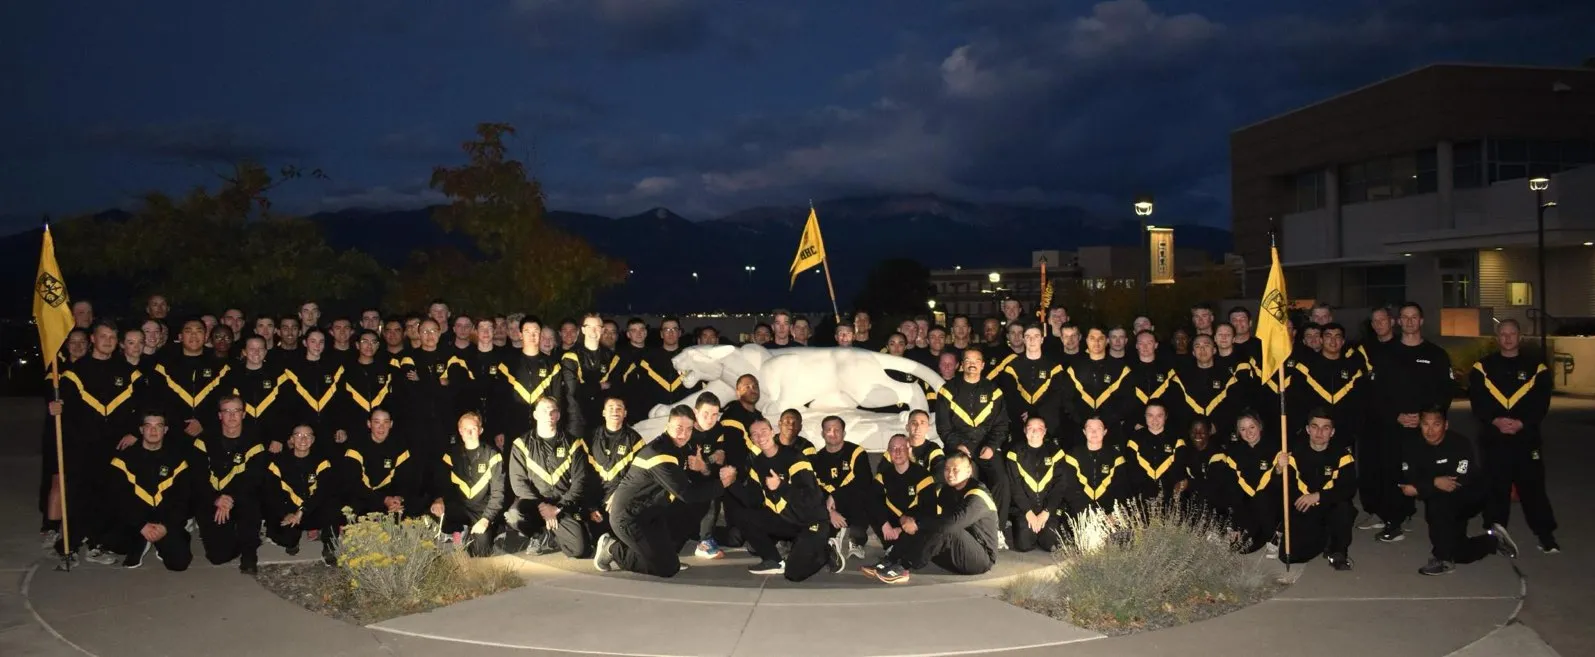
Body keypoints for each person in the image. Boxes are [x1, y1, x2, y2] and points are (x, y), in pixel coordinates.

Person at [593, 405, 731, 578]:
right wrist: (723, 483)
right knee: (667, 568)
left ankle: (664, 554)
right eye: (679, 428)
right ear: (667, 426)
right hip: (629, 518)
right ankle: (613, 549)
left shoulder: (682, 447)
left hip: (653, 513)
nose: (684, 434)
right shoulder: (659, 453)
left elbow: (697, 485)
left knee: (699, 503)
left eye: (689, 429)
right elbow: (687, 493)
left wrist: (703, 468)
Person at [1468, 319, 1558, 553]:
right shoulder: (1482, 368)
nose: (1507, 338)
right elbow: (1478, 400)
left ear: (1520, 336)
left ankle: (1545, 535)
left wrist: (1522, 423)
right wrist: (1496, 420)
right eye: (1503, 334)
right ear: (1497, 337)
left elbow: (1541, 402)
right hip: (1494, 438)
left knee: (1533, 488)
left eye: (1512, 333)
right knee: (1495, 486)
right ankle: (1494, 533)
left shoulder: (1537, 368)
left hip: (1526, 438)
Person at [1400, 407, 1519, 575]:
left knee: (1437, 503)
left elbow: (1455, 483)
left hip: (1469, 495)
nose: (1430, 430)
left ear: (1446, 425)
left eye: (1436, 424)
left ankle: (1442, 559)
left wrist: (1422, 486)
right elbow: (1407, 482)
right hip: (1443, 499)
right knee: (1459, 552)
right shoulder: (1412, 445)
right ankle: (1493, 542)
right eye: (1425, 424)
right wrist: (1433, 482)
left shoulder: (1459, 443)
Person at [1373, 302, 1453, 544]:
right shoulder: (1386, 354)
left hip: (1426, 428)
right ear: (1399, 321)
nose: (1409, 321)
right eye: (1404, 317)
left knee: (1429, 473)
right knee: (1392, 473)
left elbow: (1446, 392)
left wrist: (1425, 419)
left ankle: (1440, 525)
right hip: (1394, 425)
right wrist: (1395, 415)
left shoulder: (1436, 355)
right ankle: (1394, 521)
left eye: (1414, 317)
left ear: (1421, 321)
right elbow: (1377, 393)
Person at [866, 453, 998, 584]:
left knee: (945, 527)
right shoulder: (947, 490)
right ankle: (892, 559)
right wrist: (906, 518)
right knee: (926, 521)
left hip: (979, 559)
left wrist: (918, 524)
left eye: (955, 470)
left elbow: (952, 523)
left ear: (969, 471)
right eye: (947, 469)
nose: (950, 474)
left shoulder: (978, 495)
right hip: (954, 554)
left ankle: (904, 567)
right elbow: (926, 511)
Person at [729, 419, 833, 579]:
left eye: (763, 431)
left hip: (811, 521)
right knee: (744, 516)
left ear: (772, 432)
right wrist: (731, 483)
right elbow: (753, 501)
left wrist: (781, 486)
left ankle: (826, 551)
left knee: (794, 574)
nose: (760, 436)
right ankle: (773, 560)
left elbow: (811, 499)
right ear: (751, 440)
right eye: (755, 434)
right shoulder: (757, 464)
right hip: (786, 521)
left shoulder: (795, 457)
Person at [935, 348, 1010, 547]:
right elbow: (943, 426)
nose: (972, 363)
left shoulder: (994, 391)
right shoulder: (947, 390)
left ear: (983, 365)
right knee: (967, 481)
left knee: (1002, 480)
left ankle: (996, 530)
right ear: (961, 365)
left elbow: (1001, 425)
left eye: (976, 360)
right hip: (959, 447)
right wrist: (957, 445)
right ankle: (969, 530)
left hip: (985, 446)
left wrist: (992, 447)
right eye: (968, 360)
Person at [104, 409, 194, 570]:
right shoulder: (123, 460)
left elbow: (183, 499)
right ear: (141, 430)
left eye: (158, 426)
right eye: (148, 426)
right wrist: (141, 525)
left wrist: (166, 526)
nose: (153, 430)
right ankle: (142, 541)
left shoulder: (177, 460)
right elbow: (118, 499)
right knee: (115, 543)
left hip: (164, 519)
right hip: (136, 519)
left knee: (179, 563)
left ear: (165, 430)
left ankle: (163, 540)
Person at [506, 397, 595, 558]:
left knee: (580, 550)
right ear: (535, 415)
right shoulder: (521, 444)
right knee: (513, 515)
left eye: (553, 411)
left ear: (558, 416)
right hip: (534, 504)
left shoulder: (574, 444)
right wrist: (542, 506)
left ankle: (552, 533)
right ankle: (538, 535)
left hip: (562, 505)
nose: (549, 415)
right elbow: (518, 483)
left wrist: (557, 508)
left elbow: (580, 482)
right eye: (544, 411)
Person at [192, 395, 268, 574]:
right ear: (219, 415)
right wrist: (216, 498)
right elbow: (197, 477)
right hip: (213, 498)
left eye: (237, 411)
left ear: (244, 414)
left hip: (241, 497)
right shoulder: (203, 441)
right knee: (217, 557)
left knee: (252, 503)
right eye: (227, 411)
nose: (232, 416)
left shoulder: (254, 441)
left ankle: (249, 554)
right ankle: (240, 540)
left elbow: (254, 478)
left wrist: (230, 497)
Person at [1276, 409, 1356, 569]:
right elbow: (1282, 488)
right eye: (1315, 426)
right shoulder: (1294, 452)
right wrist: (1278, 470)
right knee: (1289, 556)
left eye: (1325, 428)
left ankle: (1338, 550)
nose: (1319, 432)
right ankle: (1323, 538)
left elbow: (1348, 489)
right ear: (1307, 429)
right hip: (1304, 507)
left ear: (1332, 432)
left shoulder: (1342, 455)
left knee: (1344, 508)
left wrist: (1318, 496)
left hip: (1330, 506)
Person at [431, 412, 506, 558]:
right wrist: (438, 499)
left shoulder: (492, 455)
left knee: (481, 552)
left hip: (482, 512)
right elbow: (440, 483)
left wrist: (486, 519)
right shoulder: (451, 455)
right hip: (461, 508)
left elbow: (499, 494)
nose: (469, 432)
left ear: (481, 430)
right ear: (459, 431)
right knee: (434, 510)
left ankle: (495, 529)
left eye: (474, 428)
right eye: (465, 429)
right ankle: (459, 530)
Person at [266, 425, 338, 565]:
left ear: (313, 440)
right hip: (290, 512)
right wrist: (285, 513)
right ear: (291, 439)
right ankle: (293, 540)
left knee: (332, 504)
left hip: (312, 510)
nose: (303, 439)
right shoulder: (278, 462)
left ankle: (329, 546)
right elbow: (272, 494)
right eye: (298, 435)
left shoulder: (322, 462)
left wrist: (302, 511)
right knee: (286, 539)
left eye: (307, 436)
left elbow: (323, 492)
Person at [152, 318, 232, 437]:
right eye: (188, 331)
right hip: (174, 433)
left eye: (199, 331)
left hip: (210, 433)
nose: (194, 335)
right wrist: (182, 425)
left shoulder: (221, 367)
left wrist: (203, 422)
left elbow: (223, 400)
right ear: (180, 337)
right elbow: (160, 401)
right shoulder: (164, 366)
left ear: (206, 337)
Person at [1217, 413, 1282, 554]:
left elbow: (1280, 486)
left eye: (1252, 427)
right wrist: (1235, 524)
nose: (1248, 432)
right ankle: (1255, 532)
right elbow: (1233, 491)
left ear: (1260, 426)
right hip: (1248, 506)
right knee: (1240, 547)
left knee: (1264, 500)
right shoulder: (1234, 453)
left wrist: (1279, 470)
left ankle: (1274, 533)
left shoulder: (1276, 448)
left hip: (1271, 505)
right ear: (1238, 432)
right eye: (1243, 429)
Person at [812, 415, 873, 563]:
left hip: (853, 501)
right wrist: (830, 511)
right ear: (822, 433)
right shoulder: (817, 459)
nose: (832, 433)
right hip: (830, 506)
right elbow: (817, 489)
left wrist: (836, 496)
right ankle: (833, 540)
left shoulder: (856, 452)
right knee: (814, 502)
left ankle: (856, 540)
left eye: (837, 430)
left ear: (844, 433)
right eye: (828, 430)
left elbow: (864, 481)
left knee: (864, 494)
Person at [340, 408, 424, 517]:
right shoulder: (355, 447)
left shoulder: (399, 447)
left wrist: (398, 497)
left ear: (391, 424)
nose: (381, 427)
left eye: (386, 422)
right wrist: (383, 500)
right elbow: (354, 484)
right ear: (369, 424)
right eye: (376, 422)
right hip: (363, 496)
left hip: (389, 497)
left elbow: (405, 479)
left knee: (417, 503)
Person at [585, 397, 645, 535]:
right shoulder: (589, 437)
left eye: (619, 408)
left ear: (625, 413)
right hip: (594, 498)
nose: (615, 411)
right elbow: (583, 475)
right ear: (603, 413)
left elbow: (639, 476)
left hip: (620, 497)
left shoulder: (635, 440)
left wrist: (619, 495)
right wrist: (590, 507)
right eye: (611, 408)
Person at [1005, 418, 1067, 552]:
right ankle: (1032, 532)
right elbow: (1015, 486)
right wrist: (1028, 512)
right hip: (1025, 508)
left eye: (1039, 428)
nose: (1034, 431)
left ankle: (1042, 532)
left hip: (1047, 508)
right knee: (1024, 545)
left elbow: (1059, 486)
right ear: (1024, 430)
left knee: (1052, 544)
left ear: (1044, 432)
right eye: (1030, 427)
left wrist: (1046, 512)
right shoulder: (1014, 453)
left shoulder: (1056, 452)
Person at [1064, 328, 1134, 444]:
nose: (1096, 342)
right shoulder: (1074, 368)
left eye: (1100, 338)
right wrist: (1083, 421)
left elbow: (1127, 400)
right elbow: (1067, 399)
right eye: (1092, 338)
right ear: (1086, 341)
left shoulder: (1121, 369)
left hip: (1111, 430)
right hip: (1081, 430)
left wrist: (1106, 421)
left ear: (1107, 341)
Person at [872, 434, 936, 557]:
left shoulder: (923, 475)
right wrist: (884, 524)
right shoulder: (884, 475)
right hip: (891, 526)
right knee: (870, 502)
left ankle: (906, 548)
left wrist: (903, 527)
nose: (897, 452)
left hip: (912, 522)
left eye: (902, 448)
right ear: (889, 452)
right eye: (893, 448)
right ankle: (890, 546)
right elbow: (873, 499)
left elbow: (929, 508)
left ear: (909, 450)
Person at [623, 316, 697, 416]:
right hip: (654, 414)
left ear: (679, 333)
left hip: (683, 414)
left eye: (674, 329)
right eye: (666, 329)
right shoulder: (647, 358)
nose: (671, 333)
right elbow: (639, 390)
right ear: (661, 334)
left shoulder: (690, 357)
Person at [1126, 400, 1187, 501]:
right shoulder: (1134, 440)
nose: (1154, 420)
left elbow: (1179, 469)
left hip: (1169, 497)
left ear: (1166, 416)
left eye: (1159, 415)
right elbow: (1132, 471)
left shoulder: (1177, 440)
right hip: (1142, 498)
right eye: (1150, 415)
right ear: (1144, 416)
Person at [904, 409, 945, 475]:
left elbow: (939, 477)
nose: (918, 427)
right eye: (914, 423)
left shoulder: (934, 449)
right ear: (907, 427)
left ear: (928, 428)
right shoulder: (897, 446)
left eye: (922, 423)